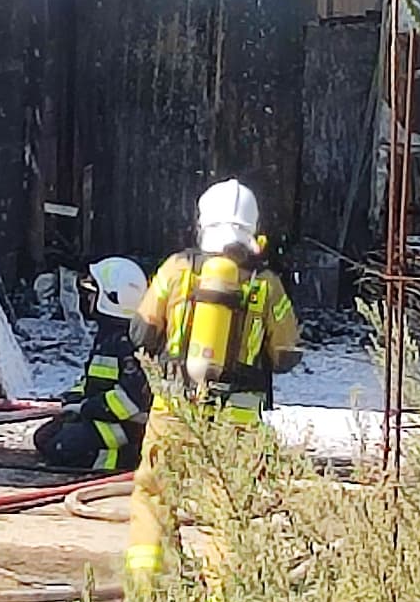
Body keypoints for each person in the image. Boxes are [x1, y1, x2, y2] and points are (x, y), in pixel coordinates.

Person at [139, 179, 302, 412]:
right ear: (253, 225)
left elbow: (141, 334)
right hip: (238, 418)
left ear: (203, 222)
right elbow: (285, 356)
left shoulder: (174, 268)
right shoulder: (267, 283)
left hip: (175, 411)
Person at [32, 257, 151, 474]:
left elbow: (130, 401)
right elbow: (92, 380)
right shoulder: (108, 335)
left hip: (127, 427)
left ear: (111, 298)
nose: (87, 298)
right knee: (44, 438)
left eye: (93, 292)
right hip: (103, 417)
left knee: (63, 448)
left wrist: (87, 408)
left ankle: (126, 459)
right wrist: (72, 399)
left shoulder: (130, 342)